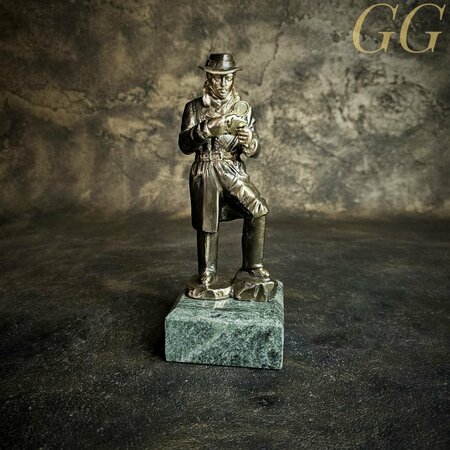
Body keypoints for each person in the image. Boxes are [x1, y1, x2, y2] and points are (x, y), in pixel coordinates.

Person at [179, 53, 270, 290]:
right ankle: (207, 272)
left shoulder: (243, 109)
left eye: (228, 78)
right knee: (208, 221)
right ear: (209, 78)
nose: (223, 83)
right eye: (218, 78)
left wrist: (250, 141)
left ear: (233, 79)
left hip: (232, 169)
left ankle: (252, 267)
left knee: (258, 210)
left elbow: (255, 149)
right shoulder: (194, 108)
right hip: (205, 167)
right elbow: (185, 145)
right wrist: (207, 129)